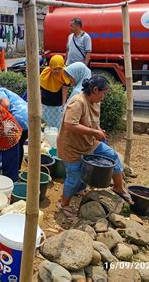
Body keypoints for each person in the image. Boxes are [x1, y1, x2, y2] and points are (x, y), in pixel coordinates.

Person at [57, 75, 132, 217]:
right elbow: (69, 124)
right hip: (71, 147)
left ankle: (118, 187)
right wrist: (94, 132)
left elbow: (93, 121)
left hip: (89, 143)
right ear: (95, 90)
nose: (104, 96)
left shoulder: (96, 101)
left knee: (112, 155)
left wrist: (98, 130)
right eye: (104, 92)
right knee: (74, 177)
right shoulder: (78, 102)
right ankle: (63, 204)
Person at [0, 77, 28, 166]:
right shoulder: (7, 92)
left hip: (18, 119)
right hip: (28, 119)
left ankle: (7, 171)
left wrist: (0, 121)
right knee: (19, 144)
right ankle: (17, 170)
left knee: (7, 144)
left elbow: (5, 104)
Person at [40, 55, 70, 128]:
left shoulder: (64, 74)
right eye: (55, 69)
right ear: (50, 67)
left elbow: (65, 89)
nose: (57, 71)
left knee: (57, 126)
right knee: (45, 125)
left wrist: (63, 104)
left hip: (57, 105)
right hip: (45, 104)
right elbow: (40, 89)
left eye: (59, 68)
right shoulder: (45, 73)